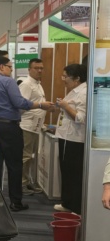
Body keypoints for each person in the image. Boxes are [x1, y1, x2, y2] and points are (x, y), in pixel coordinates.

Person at [0, 57, 53, 212]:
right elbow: (19, 103)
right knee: (14, 165)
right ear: (1, 67)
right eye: (10, 67)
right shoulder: (8, 82)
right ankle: (15, 202)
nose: (11, 70)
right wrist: (40, 105)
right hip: (9, 127)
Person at [54, 64, 87, 214]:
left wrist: (66, 106)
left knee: (74, 174)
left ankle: (76, 207)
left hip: (75, 140)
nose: (63, 79)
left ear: (77, 78)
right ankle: (67, 202)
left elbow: (80, 118)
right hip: (66, 137)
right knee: (66, 171)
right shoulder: (74, 91)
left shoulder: (84, 93)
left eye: (65, 76)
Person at [18, 58, 46, 195]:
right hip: (27, 126)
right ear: (29, 69)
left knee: (31, 157)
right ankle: (21, 185)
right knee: (25, 156)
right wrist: (41, 106)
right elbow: (21, 105)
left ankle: (27, 181)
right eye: (36, 68)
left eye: (41, 68)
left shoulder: (38, 84)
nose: (39, 70)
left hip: (36, 126)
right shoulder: (26, 84)